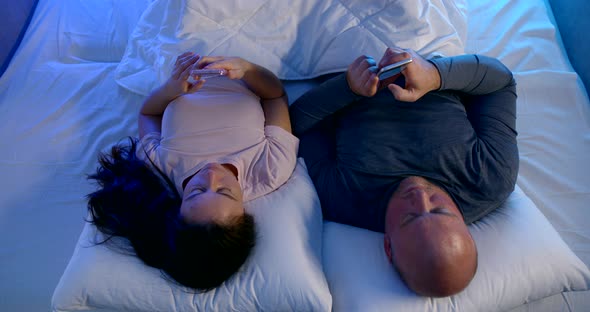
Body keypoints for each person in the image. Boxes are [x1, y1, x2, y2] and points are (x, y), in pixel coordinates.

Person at [289, 47, 518, 297]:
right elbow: (500, 82)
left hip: (340, 57)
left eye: (409, 218)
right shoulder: (491, 177)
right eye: (439, 209)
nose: (419, 196)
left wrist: (348, 88)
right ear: (464, 224)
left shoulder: (343, 198)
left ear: (388, 246)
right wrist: (435, 75)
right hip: (428, 46)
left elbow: (298, 123)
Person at [86, 52, 298, 291]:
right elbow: (276, 97)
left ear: (179, 206)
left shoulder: (161, 168)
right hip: (248, 61)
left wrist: (171, 89)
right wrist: (247, 69)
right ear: (244, 212)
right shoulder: (271, 169)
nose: (211, 174)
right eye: (225, 191)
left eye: (196, 190)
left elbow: (149, 113)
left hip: (183, 57)